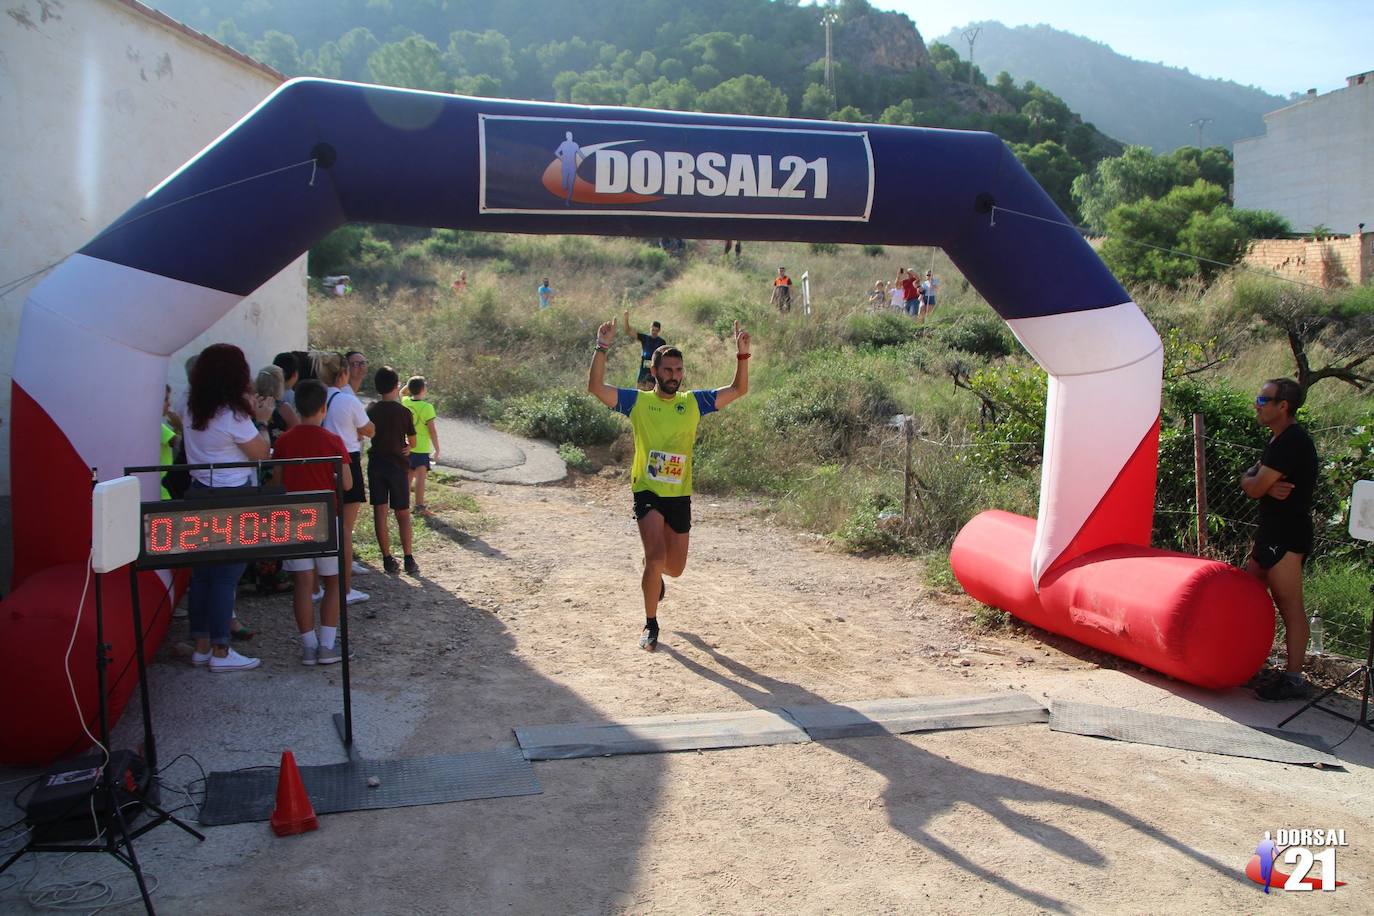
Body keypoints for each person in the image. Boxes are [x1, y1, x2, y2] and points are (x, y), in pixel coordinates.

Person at [587, 318, 752, 651]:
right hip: (647, 489)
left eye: (678, 370)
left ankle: (657, 578)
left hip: (679, 493)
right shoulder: (638, 403)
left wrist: (743, 356)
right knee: (655, 555)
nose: (674, 375)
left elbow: (738, 391)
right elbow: (596, 388)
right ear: (654, 371)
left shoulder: (693, 402)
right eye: (667, 370)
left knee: (674, 567)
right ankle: (651, 624)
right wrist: (601, 347)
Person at [182, 343, 273, 672]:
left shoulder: (191, 408)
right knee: (226, 577)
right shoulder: (232, 415)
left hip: (198, 493)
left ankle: (201, 644)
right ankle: (222, 650)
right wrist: (261, 420)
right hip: (231, 498)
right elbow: (261, 454)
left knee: (202, 575)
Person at [1241, 377, 1319, 702]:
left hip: (1286, 537)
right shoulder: (1277, 440)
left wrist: (1260, 485)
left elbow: (1254, 486)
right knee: (1248, 599)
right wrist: (1260, 484)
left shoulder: (1291, 442)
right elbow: (1248, 480)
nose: (1257, 405)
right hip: (1270, 533)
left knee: (1289, 605)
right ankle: (1247, 663)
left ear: (1282, 406)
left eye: (1263, 400)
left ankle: (1294, 678)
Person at [271, 379, 354, 665]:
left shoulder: (284, 440)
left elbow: (277, 481)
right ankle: (328, 645)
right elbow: (345, 483)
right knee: (332, 581)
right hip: (324, 516)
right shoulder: (333, 441)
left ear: (297, 407)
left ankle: (308, 646)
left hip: (293, 515)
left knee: (303, 582)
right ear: (323, 408)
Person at [319, 351, 375, 604]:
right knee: (345, 528)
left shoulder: (318, 396)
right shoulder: (348, 400)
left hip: (321, 461)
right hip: (346, 459)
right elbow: (369, 429)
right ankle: (345, 589)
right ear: (343, 373)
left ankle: (318, 587)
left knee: (324, 523)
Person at [367, 366, 419, 576]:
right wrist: (407, 445)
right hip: (398, 467)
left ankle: (387, 558)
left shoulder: (371, 409)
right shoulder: (404, 412)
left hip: (376, 465)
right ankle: (408, 558)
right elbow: (412, 441)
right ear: (397, 386)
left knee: (380, 512)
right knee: (403, 513)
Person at [403, 376, 440, 514]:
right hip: (422, 447)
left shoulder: (405, 402)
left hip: (408, 446)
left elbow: (403, 393)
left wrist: (410, 385)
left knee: (408, 476)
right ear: (424, 389)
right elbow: (432, 431)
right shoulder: (427, 407)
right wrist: (437, 449)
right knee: (420, 478)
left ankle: (404, 504)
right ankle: (419, 506)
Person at [623, 310, 667, 391]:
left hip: (653, 371)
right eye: (653, 330)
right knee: (639, 391)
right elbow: (628, 331)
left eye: (656, 331)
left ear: (659, 331)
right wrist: (626, 319)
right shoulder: (644, 338)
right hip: (643, 369)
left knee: (650, 393)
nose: (654, 332)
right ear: (650, 328)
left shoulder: (662, 342)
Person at [554, 132, 582, 204]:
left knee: (571, 185)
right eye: (569, 135)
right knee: (564, 185)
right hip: (565, 166)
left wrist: (587, 159)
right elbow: (556, 152)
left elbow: (580, 154)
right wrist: (562, 158)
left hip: (573, 167)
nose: (570, 136)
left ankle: (567, 201)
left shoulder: (575, 144)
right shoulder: (563, 144)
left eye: (571, 135)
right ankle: (563, 195)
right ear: (567, 137)